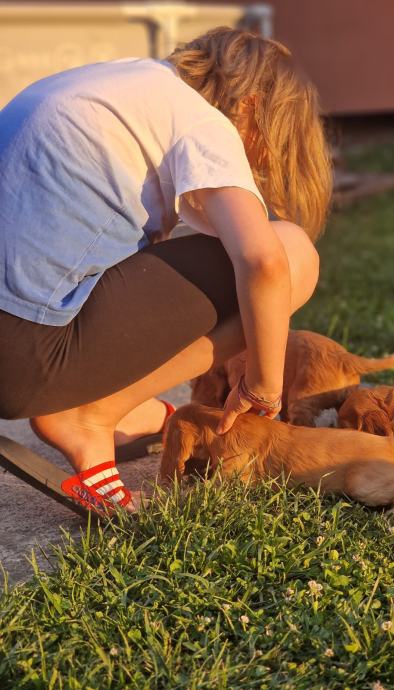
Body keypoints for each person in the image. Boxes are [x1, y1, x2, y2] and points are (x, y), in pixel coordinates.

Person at [0, 27, 332, 511]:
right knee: (293, 252)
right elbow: (263, 262)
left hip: (16, 338)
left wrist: (251, 331)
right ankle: (88, 415)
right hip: (20, 356)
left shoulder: (117, 85)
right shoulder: (204, 122)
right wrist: (264, 384)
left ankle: (118, 406)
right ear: (252, 107)